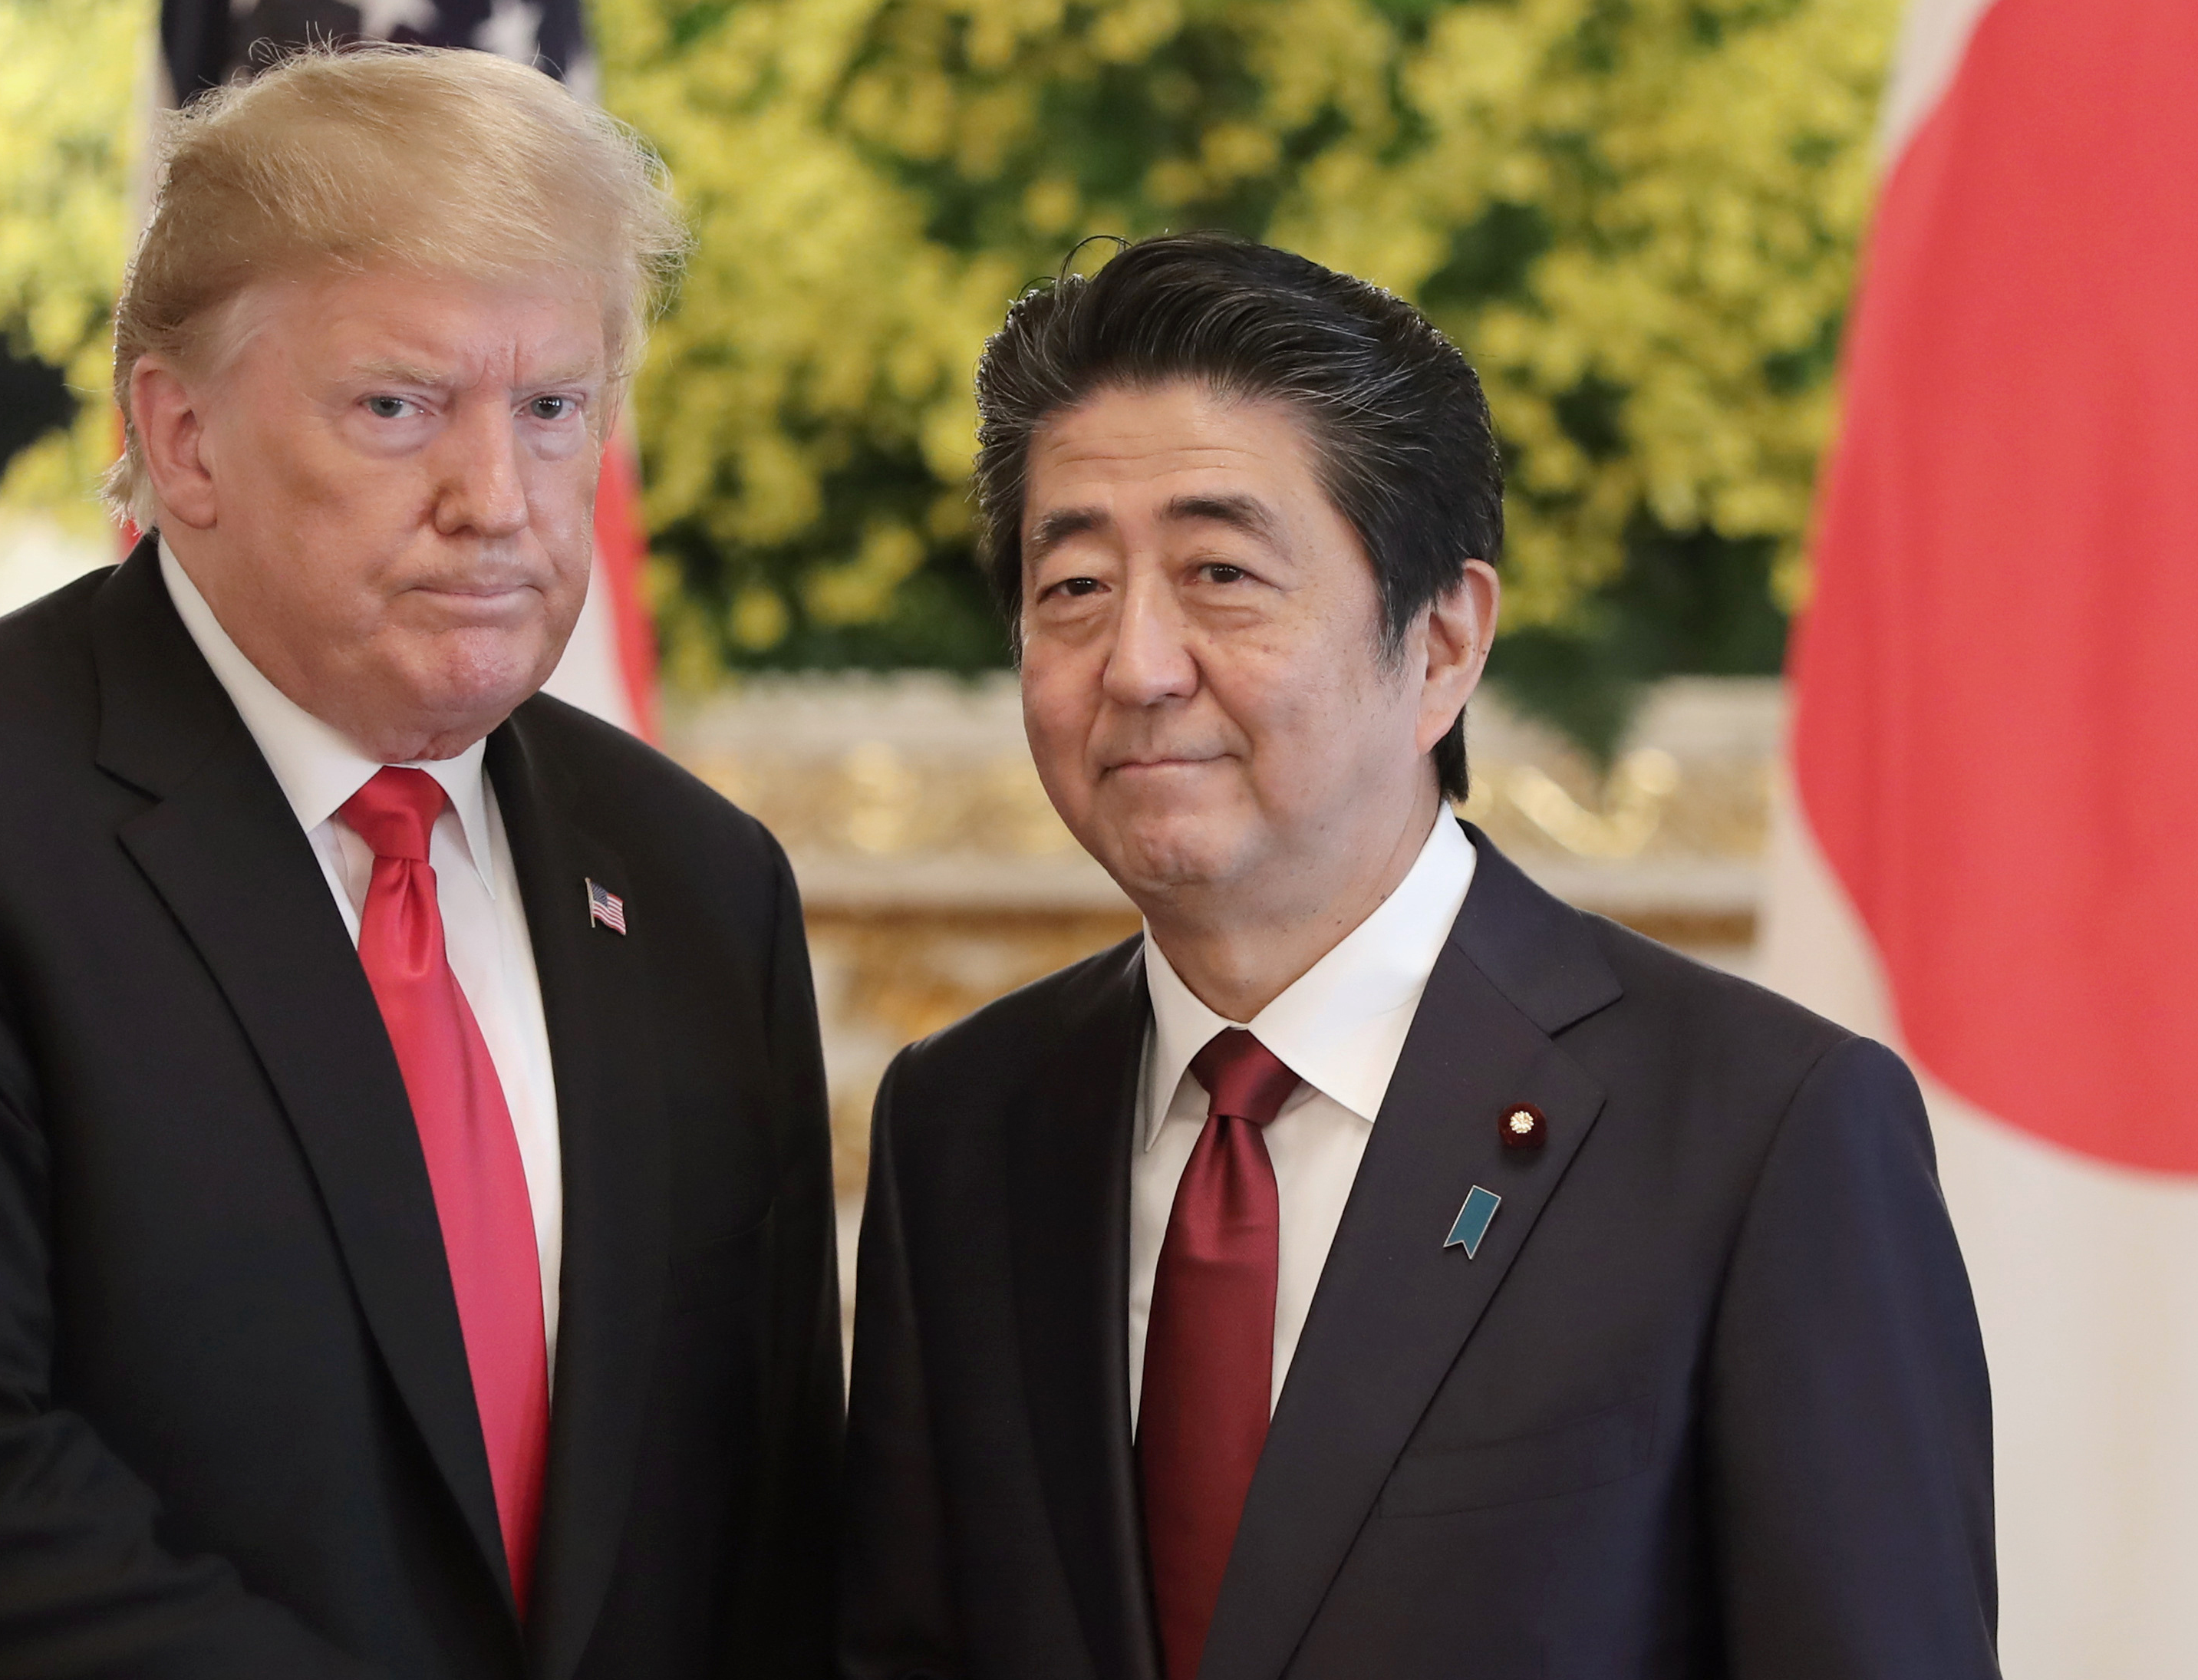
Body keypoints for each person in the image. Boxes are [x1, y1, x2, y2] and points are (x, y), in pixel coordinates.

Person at [0, 48, 840, 1679]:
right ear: (184, 437)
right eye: (397, 407)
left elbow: (769, 1538)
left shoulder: (703, 883)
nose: (495, 499)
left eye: (553, 409)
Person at [838, 234, 1997, 1680]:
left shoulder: (1758, 1135)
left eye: (1219, 573)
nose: (1135, 664)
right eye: (1072, 586)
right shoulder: (963, 1124)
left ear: (1442, 643)